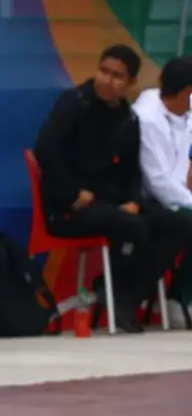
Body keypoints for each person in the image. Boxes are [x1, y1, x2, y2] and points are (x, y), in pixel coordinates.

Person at [34, 44, 192, 331]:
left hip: (109, 202)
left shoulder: (125, 117)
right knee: (134, 227)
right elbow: (46, 149)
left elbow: (132, 169)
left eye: (117, 76)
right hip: (70, 206)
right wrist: (71, 194)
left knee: (176, 224)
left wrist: (133, 199)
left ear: (130, 83)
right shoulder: (75, 103)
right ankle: (114, 290)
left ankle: (125, 295)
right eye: (104, 71)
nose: (107, 80)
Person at [136, 58, 192, 214]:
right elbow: (159, 183)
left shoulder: (185, 109)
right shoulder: (147, 120)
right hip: (161, 203)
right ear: (188, 91)